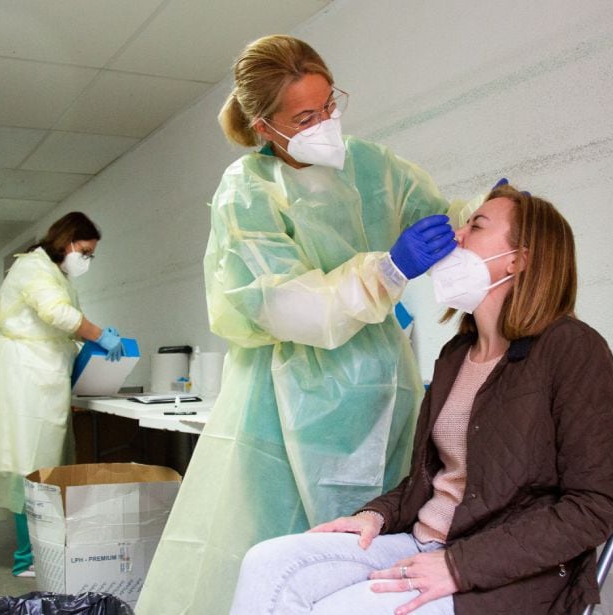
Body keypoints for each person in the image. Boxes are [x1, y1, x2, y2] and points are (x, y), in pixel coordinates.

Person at [137, 35, 477, 614]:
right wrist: (387, 271)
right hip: (287, 402)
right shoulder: (247, 190)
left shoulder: (374, 166)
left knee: (373, 537)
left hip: (381, 390)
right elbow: (277, 302)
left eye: (330, 107)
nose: (326, 124)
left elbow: (443, 218)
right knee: (282, 547)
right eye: (305, 116)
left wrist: (481, 220)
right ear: (266, 127)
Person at [229, 182, 613, 615]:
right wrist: (375, 517)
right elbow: (426, 481)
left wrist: (459, 566)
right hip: (422, 542)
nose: (456, 236)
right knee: (266, 564)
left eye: (475, 225)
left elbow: (596, 505)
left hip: (503, 574)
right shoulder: (457, 355)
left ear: (520, 258)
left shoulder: (573, 349)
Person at [0, 212, 127, 578]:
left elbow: (60, 321)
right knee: (27, 464)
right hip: (25, 378)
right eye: (86, 251)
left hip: (44, 378)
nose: (87, 259)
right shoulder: (32, 267)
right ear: (68, 242)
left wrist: (88, 337)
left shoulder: (54, 274)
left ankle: (43, 543)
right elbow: (56, 313)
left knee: (43, 463)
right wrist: (95, 333)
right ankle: (26, 557)